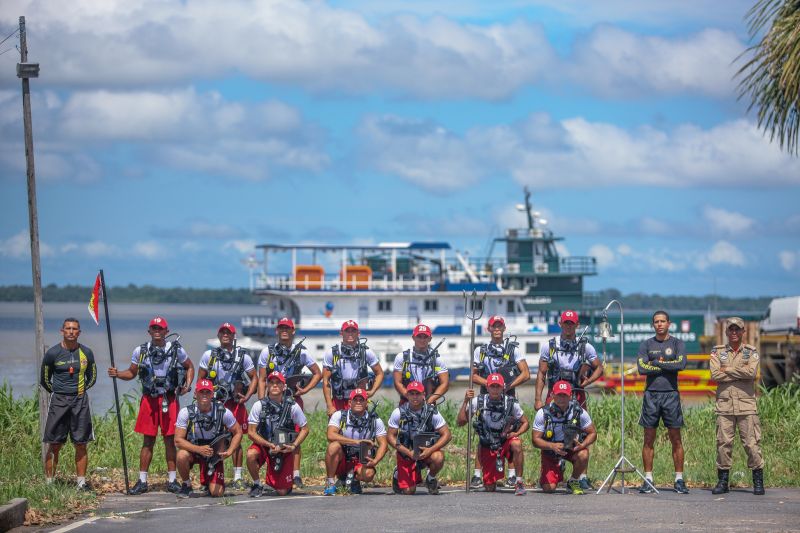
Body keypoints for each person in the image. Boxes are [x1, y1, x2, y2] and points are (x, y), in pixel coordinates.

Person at [108, 316, 194, 495]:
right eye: (154, 328)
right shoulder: (140, 351)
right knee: (148, 441)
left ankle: (172, 481)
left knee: (170, 440)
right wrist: (117, 374)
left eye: (160, 328)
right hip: (149, 399)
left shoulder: (176, 349)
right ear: (149, 331)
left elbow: (189, 366)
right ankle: (142, 481)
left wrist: (187, 386)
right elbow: (131, 373)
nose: (157, 331)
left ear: (166, 332)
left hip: (169, 399)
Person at [257, 317, 322, 488]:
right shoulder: (267, 352)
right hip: (271, 400)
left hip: (292, 399)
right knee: (268, 434)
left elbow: (317, 373)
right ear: (277, 331)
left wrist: (306, 390)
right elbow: (262, 378)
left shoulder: (302, 352)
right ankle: (270, 473)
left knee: (295, 434)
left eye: (288, 328)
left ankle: (296, 474)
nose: (284, 330)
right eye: (281, 328)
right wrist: (262, 400)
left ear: (293, 331)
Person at [470, 315, 530, 488]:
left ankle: (512, 475)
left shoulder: (513, 349)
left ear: (504, 328)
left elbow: (525, 374)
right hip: (485, 395)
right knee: (483, 435)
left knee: (508, 433)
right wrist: (490, 384)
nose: (497, 329)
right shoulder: (480, 350)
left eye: (499, 326)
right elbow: (473, 375)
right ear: (488, 329)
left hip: (508, 397)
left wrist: (507, 385)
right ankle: (477, 475)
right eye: (493, 326)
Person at [198, 322, 257, 490]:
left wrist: (247, 396)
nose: (225, 335)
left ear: (233, 336)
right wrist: (202, 399)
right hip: (215, 403)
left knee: (236, 438)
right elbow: (201, 379)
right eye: (222, 332)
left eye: (229, 332)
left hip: (235, 403)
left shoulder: (242, 356)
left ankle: (238, 476)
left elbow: (254, 377)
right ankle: (210, 475)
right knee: (212, 438)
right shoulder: (209, 355)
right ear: (218, 336)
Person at [40, 318, 97, 491]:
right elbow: (44, 379)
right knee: (54, 443)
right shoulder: (52, 353)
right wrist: (59, 392)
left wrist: (79, 391)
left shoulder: (86, 352)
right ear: (62, 331)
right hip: (59, 401)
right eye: (68, 329)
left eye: (74, 329)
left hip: (80, 401)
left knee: (81, 443)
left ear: (79, 332)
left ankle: (81, 483)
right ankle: (49, 484)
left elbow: (92, 376)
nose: (71, 332)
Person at [710, 317, 765, 495]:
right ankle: (723, 482)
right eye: (731, 329)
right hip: (725, 406)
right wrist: (738, 373)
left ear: (743, 332)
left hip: (746, 406)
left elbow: (751, 373)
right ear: (726, 332)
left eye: (737, 329)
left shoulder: (751, 351)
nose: (734, 332)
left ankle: (758, 481)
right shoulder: (717, 352)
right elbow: (715, 375)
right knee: (723, 444)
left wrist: (727, 370)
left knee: (751, 444)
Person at [635, 310, 688, 494]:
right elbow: (642, 368)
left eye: (662, 321)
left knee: (676, 439)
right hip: (651, 395)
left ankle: (679, 479)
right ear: (653, 325)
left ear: (669, 323)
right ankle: (648, 479)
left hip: (671, 395)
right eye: (656, 321)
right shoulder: (646, 344)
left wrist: (657, 363)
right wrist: (667, 365)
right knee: (648, 439)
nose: (659, 324)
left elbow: (680, 365)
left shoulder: (677, 343)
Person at [456, 373, 529, 495]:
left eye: (498, 386)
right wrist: (465, 402)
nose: (495, 390)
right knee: (490, 487)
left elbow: (525, 422)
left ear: (503, 388)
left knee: (517, 443)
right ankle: (484, 476)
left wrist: (516, 433)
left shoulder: (511, 403)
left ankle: (519, 482)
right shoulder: (478, 401)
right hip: (488, 443)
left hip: (505, 440)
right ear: (487, 387)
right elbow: (461, 422)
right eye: (492, 386)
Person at [174, 378, 243, 498]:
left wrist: (230, 451)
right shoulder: (186, 412)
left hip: (214, 453)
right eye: (201, 392)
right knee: (181, 455)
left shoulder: (223, 412)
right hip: (195, 449)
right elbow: (178, 440)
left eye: (207, 392)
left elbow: (238, 432)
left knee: (217, 493)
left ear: (212, 394)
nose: (204, 395)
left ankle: (209, 482)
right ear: (195, 394)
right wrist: (198, 449)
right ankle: (186, 485)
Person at [246, 372, 309, 497]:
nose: (275, 385)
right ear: (267, 386)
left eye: (278, 383)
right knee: (251, 454)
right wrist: (268, 444)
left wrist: (293, 445)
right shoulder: (259, 405)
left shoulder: (292, 406)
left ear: (284, 386)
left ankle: (283, 479)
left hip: (284, 448)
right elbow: (251, 433)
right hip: (265, 444)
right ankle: (257, 484)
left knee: (282, 492)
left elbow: (305, 429)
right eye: (271, 383)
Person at [531, 380, 597, 495]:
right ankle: (555, 471)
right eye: (559, 395)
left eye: (565, 395)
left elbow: (593, 433)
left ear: (570, 396)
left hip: (570, 448)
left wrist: (583, 444)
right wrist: (552, 446)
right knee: (549, 489)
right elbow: (535, 440)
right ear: (552, 395)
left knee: (583, 454)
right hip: (550, 450)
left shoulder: (579, 411)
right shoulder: (543, 413)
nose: (562, 398)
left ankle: (573, 481)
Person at [386, 381, 452, 495]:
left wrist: (430, 450)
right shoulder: (398, 413)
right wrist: (408, 452)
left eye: (418, 393)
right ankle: (398, 473)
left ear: (424, 395)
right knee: (409, 491)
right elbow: (390, 437)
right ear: (407, 395)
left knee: (438, 457)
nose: (415, 396)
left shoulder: (432, 412)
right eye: (412, 393)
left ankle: (430, 478)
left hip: (426, 452)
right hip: (406, 454)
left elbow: (447, 435)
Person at [324, 388, 388, 495]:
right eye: (355, 400)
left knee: (368, 474)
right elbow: (330, 435)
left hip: (361, 460)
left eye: (361, 400)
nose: (358, 402)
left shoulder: (375, 420)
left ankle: (354, 480)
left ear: (366, 403)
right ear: (350, 402)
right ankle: (330, 483)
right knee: (333, 446)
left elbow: (384, 444)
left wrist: (375, 461)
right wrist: (356, 442)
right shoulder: (340, 415)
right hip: (343, 457)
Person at [535, 310, 603, 410]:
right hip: (554, 393)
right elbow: (541, 373)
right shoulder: (549, 346)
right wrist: (538, 399)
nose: (568, 326)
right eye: (566, 323)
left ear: (577, 325)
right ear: (560, 324)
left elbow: (599, 368)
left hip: (577, 393)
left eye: (572, 323)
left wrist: (587, 382)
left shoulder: (586, 347)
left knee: (581, 424)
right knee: (550, 422)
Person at [322, 320, 384, 414]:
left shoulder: (366, 352)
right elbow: (326, 381)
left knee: (360, 427)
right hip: (338, 401)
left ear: (358, 333)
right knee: (336, 428)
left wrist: (372, 391)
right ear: (341, 333)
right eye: (347, 331)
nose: (350, 333)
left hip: (359, 400)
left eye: (353, 331)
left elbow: (379, 373)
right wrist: (329, 406)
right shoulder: (332, 353)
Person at [393, 324, 449, 404]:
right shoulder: (402, 357)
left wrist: (430, 400)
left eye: (425, 337)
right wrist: (411, 398)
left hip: (429, 402)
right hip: (407, 401)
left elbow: (445, 383)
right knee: (396, 416)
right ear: (413, 338)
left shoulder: (436, 359)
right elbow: (397, 382)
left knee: (439, 417)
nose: (422, 340)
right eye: (419, 336)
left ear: (430, 339)